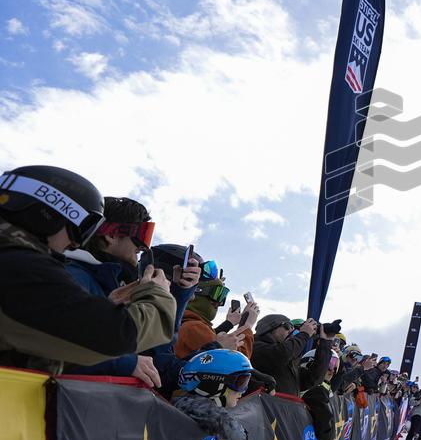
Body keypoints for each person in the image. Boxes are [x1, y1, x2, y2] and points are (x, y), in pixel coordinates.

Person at [0, 165, 175, 374]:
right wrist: (159, 297)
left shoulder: (15, 263)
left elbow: (45, 343)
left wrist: (100, 307)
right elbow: (115, 336)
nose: (76, 244)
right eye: (81, 229)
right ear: (49, 215)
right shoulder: (19, 266)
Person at [63, 203, 199, 388]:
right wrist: (126, 363)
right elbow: (60, 341)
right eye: (141, 234)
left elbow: (158, 341)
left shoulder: (113, 283)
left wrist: (179, 292)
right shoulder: (74, 277)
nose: (144, 246)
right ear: (111, 235)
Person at [173, 349, 253, 440]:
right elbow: (218, 419)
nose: (243, 391)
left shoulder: (196, 407)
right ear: (213, 384)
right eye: (241, 382)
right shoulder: (187, 404)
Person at [174, 261, 257, 359]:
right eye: (216, 295)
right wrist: (247, 326)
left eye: (222, 296)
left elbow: (211, 342)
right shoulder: (194, 327)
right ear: (196, 294)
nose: (218, 303)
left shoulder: (185, 322)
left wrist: (229, 323)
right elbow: (238, 361)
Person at [251, 314, 333, 395]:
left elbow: (313, 379)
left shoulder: (288, 361)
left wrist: (325, 343)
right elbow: (282, 354)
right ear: (269, 328)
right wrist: (304, 334)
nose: (291, 331)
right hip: (263, 406)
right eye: (287, 326)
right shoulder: (255, 347)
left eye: (292, 328)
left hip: (282, 407)